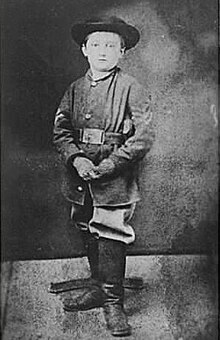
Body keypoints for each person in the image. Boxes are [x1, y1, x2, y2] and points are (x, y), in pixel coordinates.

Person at [53, 16, 154, 337]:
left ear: (123, 52)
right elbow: (61, 131)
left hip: (114, 178)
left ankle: (113, 302)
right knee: (84, 223)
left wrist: (109, 166)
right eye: (96, 44)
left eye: (111, 45)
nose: (103, 51)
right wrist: (76, 157)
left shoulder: (131, 88)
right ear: (84, 50)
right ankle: (99, 284)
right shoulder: (75, 88)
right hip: (80, 177)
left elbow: (143, 138)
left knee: (110, 230)